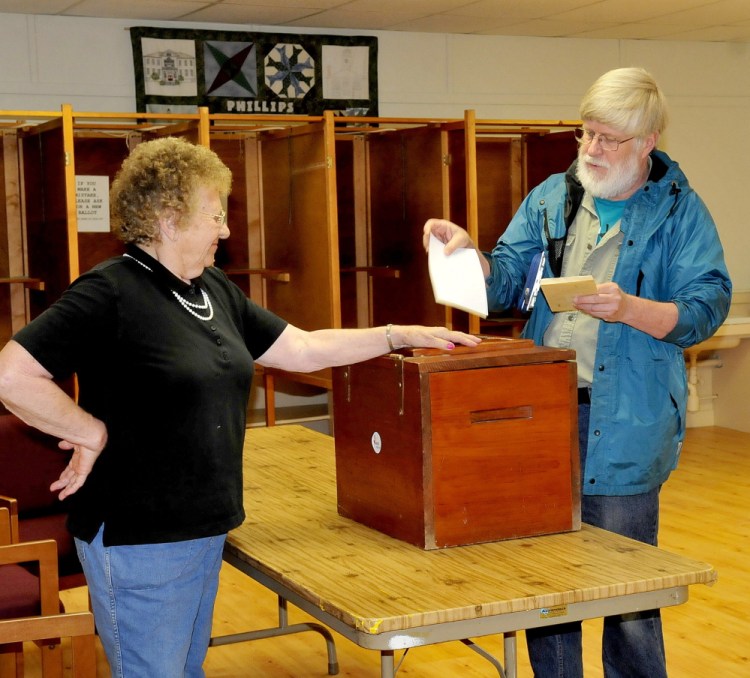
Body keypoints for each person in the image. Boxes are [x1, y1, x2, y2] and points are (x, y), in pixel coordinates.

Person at [0, 136, 480, 677]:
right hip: (142, 534)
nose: (226, 230)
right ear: (167, 217)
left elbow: (300, 348)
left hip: (203, 525)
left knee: (184, 669)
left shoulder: (211, 290)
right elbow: (12, 373)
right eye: (215, 215)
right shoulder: (111, 290)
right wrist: (90, 432)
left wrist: (397, 334)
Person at [424, 67, 731, 678]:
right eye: (584, 133)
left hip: (629, 419)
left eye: (607, 138)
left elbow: (706, 307)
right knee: (548, 581)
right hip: (547, 412)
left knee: (629, 588)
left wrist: (630, 309)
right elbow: (511, 282)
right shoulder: (552, 197)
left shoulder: (680, 213)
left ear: (647, 142)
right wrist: (470, 257)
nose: (590, 149)